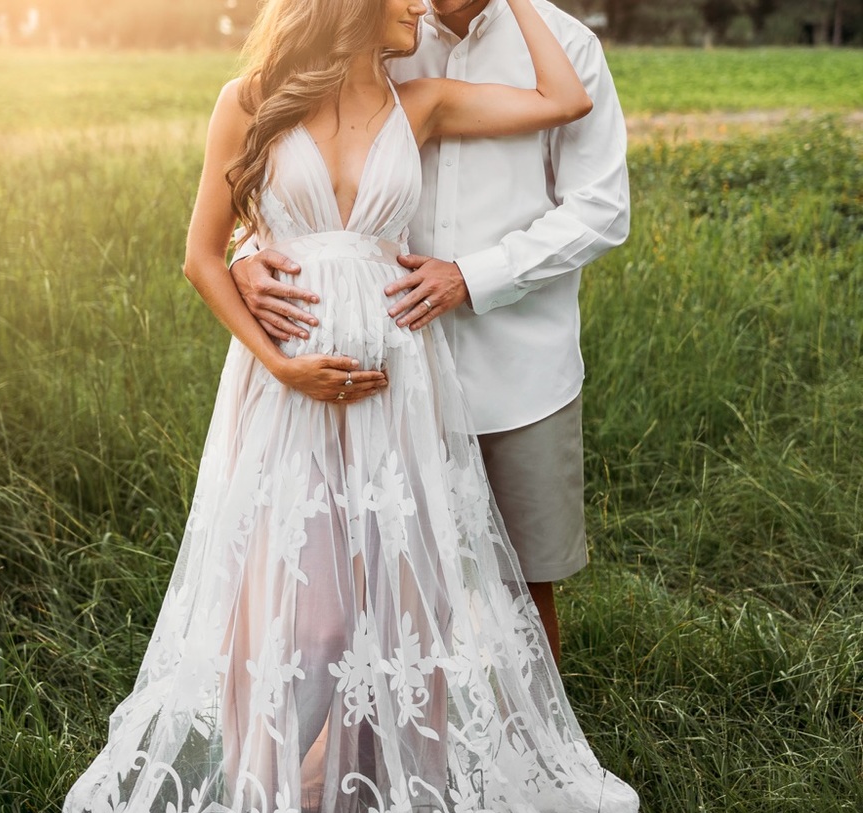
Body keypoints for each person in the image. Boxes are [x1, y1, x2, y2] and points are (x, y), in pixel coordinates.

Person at [44, 0, 637, 813]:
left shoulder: (441, 89)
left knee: (429, 610)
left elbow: (567, 111)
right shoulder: (261, 98)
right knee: (305, 615)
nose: (413, 1)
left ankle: (402, 795)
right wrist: (272, 339)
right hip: (297, 396)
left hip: (423, 388)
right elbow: (210, 245)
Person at [234, 0, 630, 665]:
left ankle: (527, 758)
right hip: (385, 370)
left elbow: (600, 209)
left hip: (518, 370)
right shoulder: (381, 29)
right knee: (383, 580)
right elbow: (298, 164)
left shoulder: (564, 45)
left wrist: (471, 277)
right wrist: (248, 256)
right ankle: (396, 753)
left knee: (523, 584)